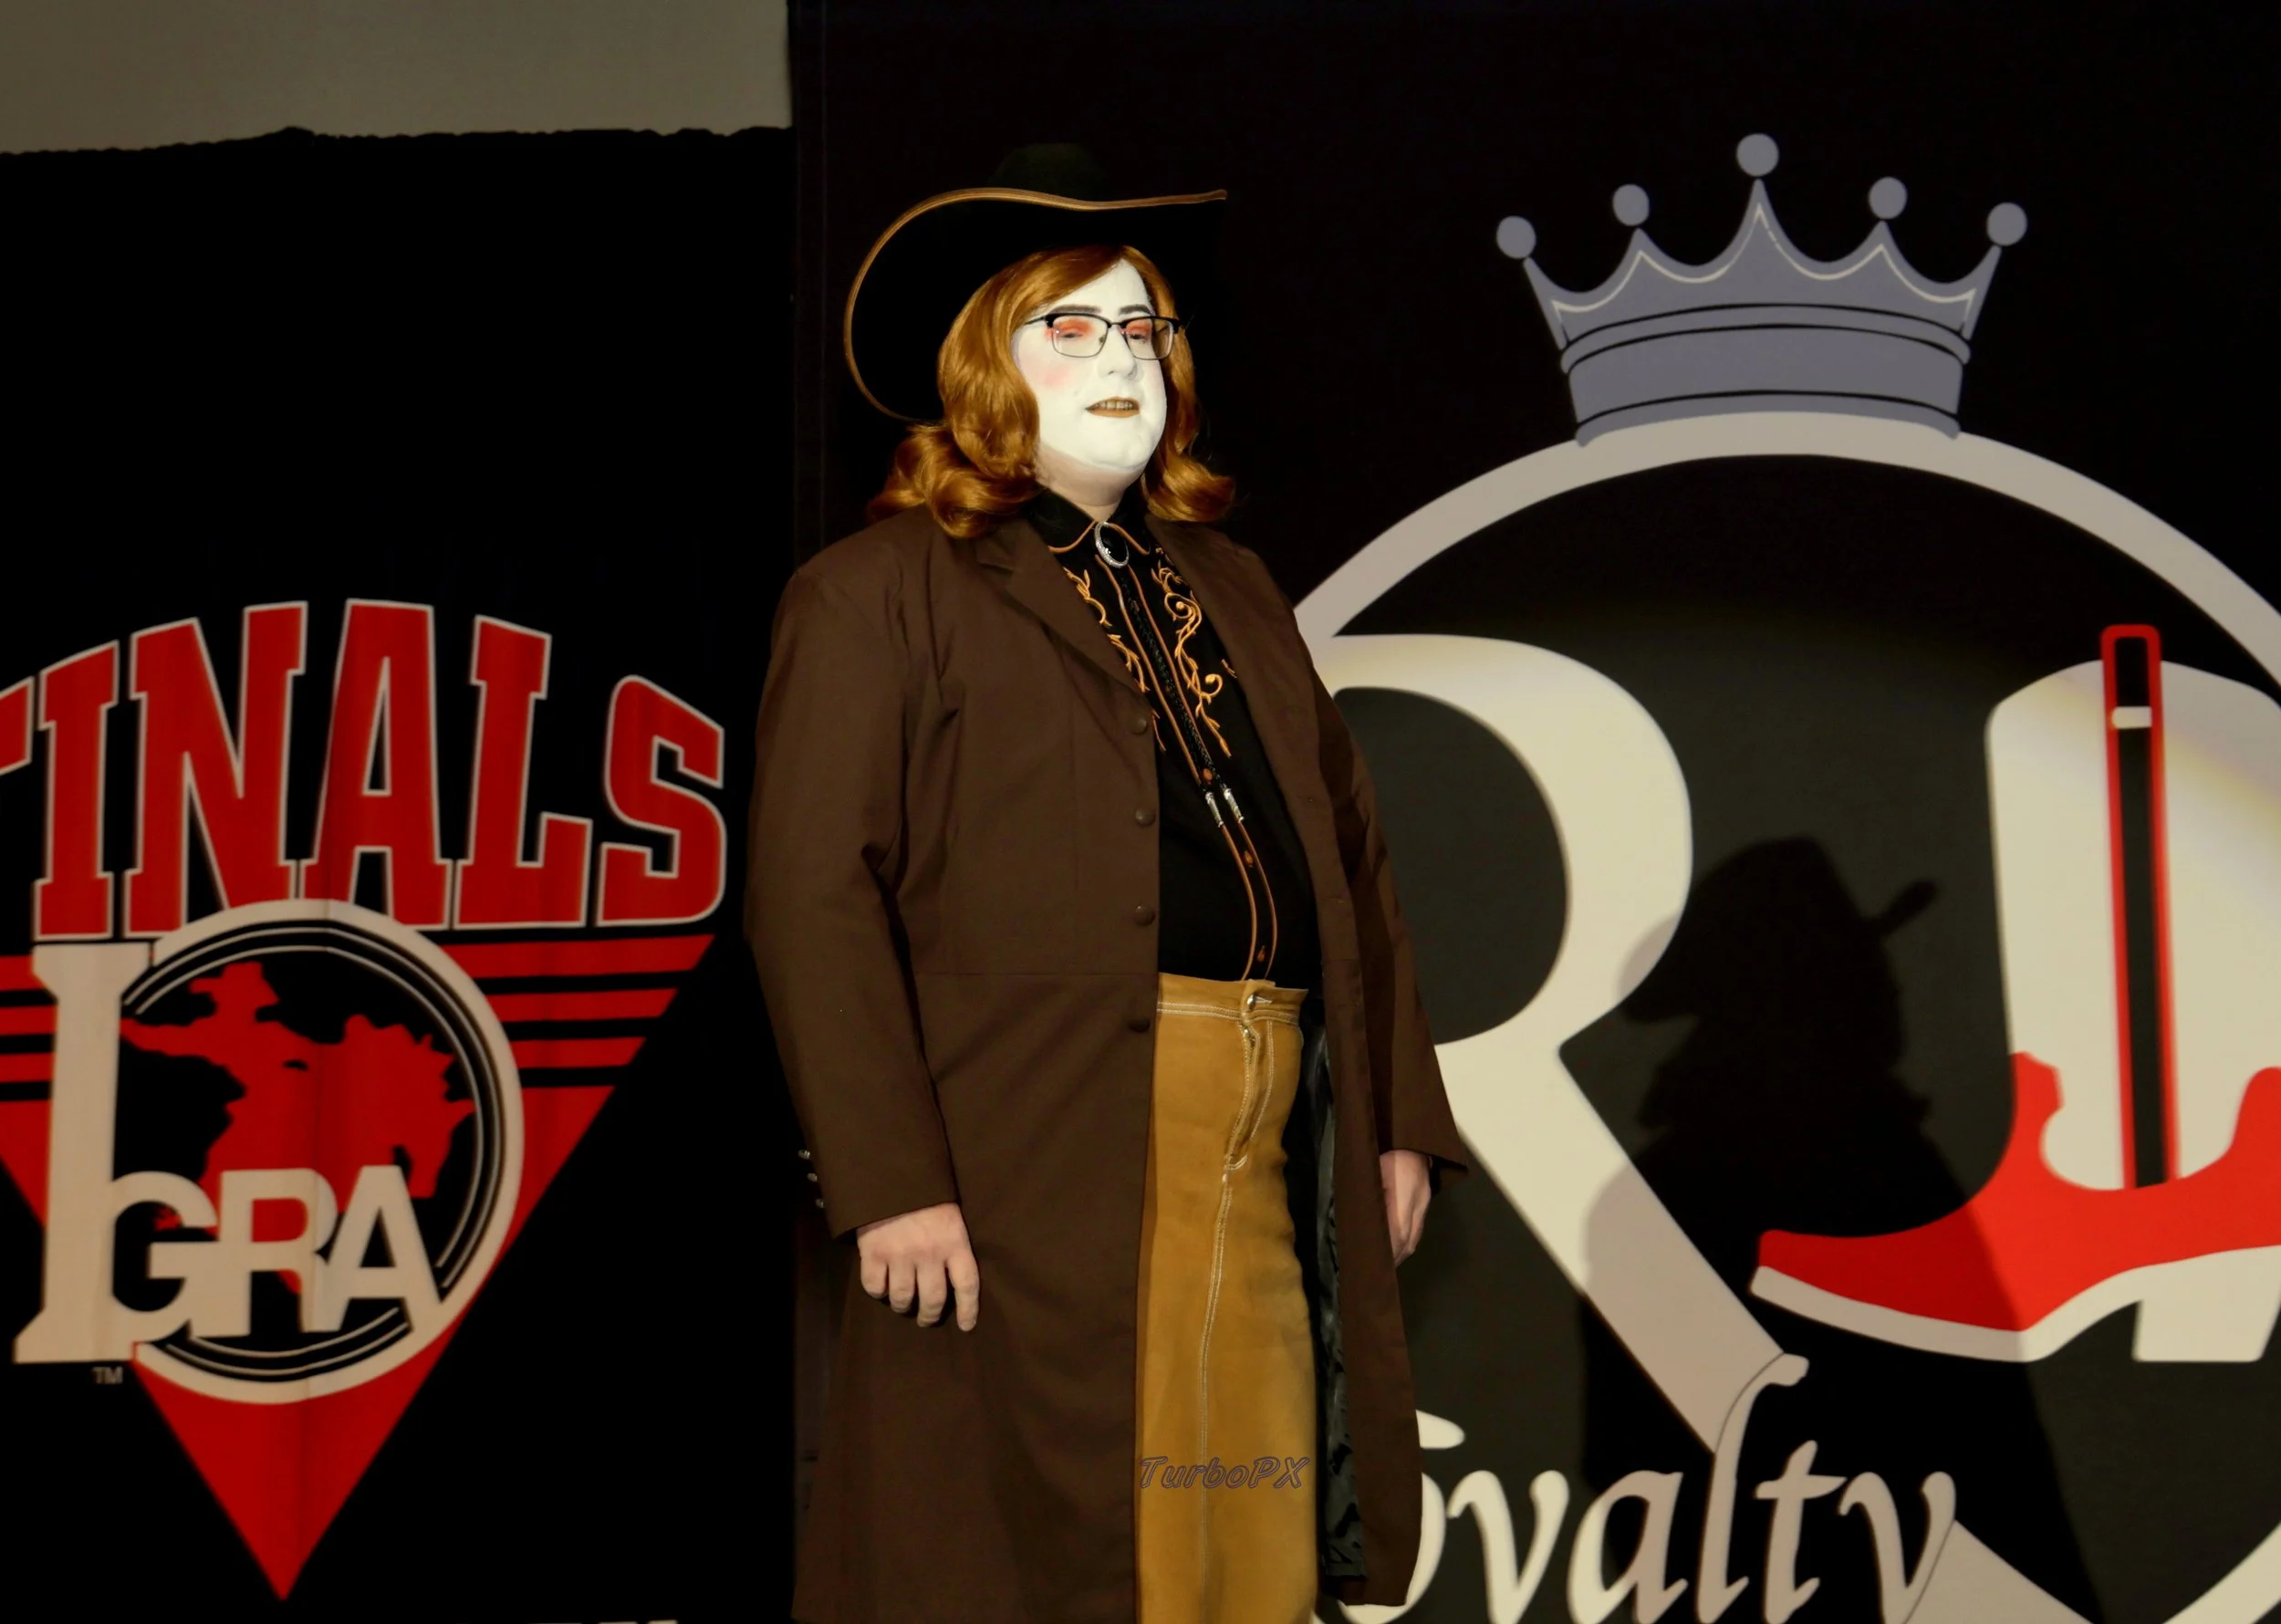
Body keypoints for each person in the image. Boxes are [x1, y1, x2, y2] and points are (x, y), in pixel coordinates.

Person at [748, 147, 1469, 1624]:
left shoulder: (1235, 586)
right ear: (982, 366)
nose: (1122, 358)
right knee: (1027, 1553)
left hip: (1266, 1136)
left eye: (1143, 327)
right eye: (1071, 327)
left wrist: (1397, 1112)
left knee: (1245, 1532)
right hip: (1028, 1144)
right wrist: (889, 1181)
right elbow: (812, 896)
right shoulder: (873, 595)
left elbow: (1352, 862)